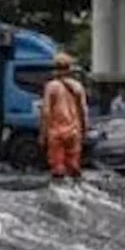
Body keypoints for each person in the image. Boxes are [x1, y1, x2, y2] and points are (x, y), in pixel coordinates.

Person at [40, 53, 88, 182]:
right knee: (73, 166)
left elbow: (46, 112)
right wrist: (84, 130)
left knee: (58, 168)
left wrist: (43, 133)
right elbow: (83, 111)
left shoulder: (51, 86)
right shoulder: (78, 87)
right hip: (74, 131)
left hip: (56, 133)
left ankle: (61, 193)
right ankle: (76, 191)